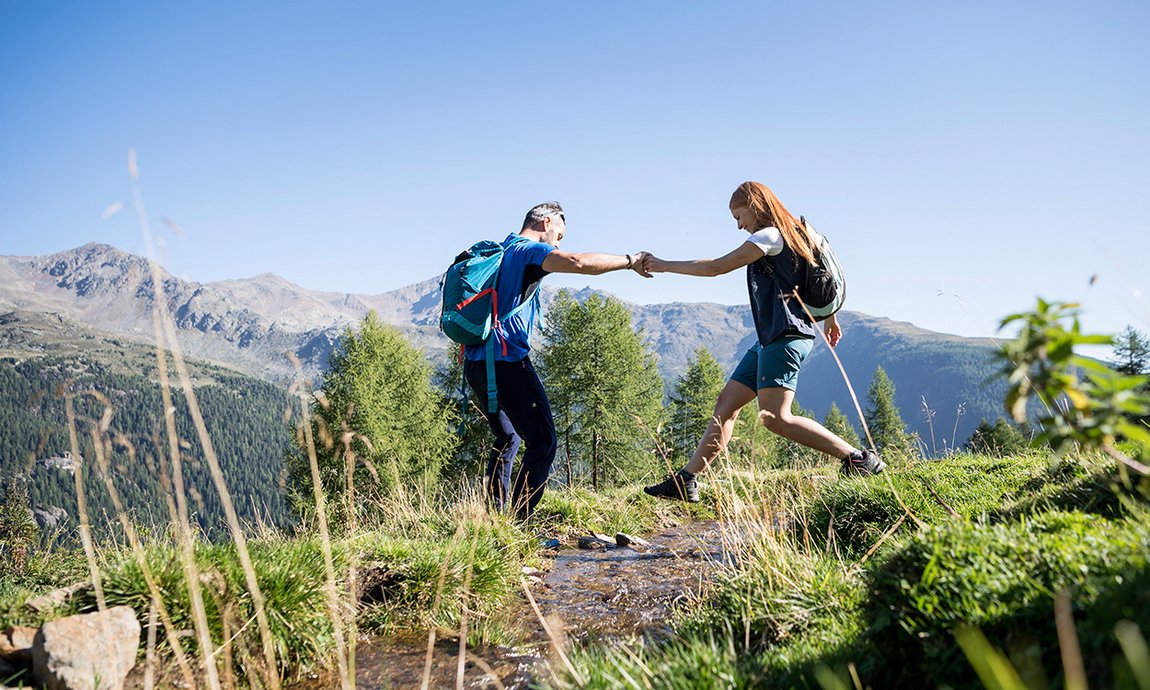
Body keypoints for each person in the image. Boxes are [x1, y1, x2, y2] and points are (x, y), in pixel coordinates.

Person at [641, 181, 885, 504]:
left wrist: (663, 265)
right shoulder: (795, 232)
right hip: (770, 338)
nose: (738, 225)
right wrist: (830, 316)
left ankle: (857, 459)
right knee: (726, 404)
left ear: (754, 205)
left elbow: (716, 268)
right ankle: (687, 480)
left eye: (738, 216)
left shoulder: (770, 235)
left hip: (785, 337)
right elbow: (819, 279)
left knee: (774, 418)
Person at [465, 201, 651, 522]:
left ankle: (495, 524)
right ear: (546, 222)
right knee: (544, 442)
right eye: (559, 235)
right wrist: (629, 261)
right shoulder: (526, 251)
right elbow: (577, 262)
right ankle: (518, 526)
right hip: (507, 362)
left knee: (508, 438)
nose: (558, 243)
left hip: (476, 363)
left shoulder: (499, 251)